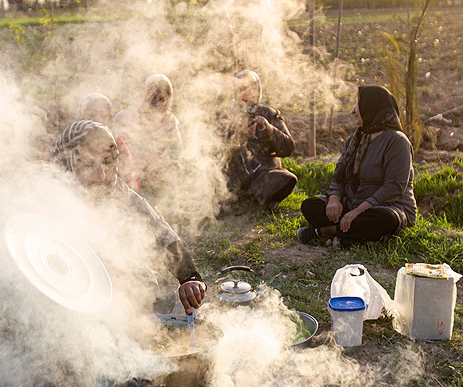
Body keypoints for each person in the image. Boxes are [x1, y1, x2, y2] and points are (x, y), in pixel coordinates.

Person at [52, 120, 206, 313]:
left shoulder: (118, 192)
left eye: (108, 162)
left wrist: (189, 277)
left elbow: (159, 232)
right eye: (88, 164)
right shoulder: (50, 194)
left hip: (116, 284)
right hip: (63, 288)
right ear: (68, 162)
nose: (101, 173)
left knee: (153, 296)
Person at [296, 84, 416, 246]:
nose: (353, 111)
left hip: (386, 207)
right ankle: (353, 235)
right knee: (310, 206)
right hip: (352, 204)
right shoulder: (356, 140)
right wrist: (334, 200)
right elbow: (338, 176)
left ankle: (325, 231)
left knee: (384, 219)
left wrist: (358, 211)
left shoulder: (397, 141)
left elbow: (394, 187)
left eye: (358, 105)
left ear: (372, 107)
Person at [220, 70, 297, 214]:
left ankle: (247, 203)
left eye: (252, 88)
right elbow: (215, 156)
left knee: (285, 178)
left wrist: (269, 129)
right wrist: (237, 140)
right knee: (217, 183)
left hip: (262, 174)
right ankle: (251, 202)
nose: (247, 93)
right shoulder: (225, 116)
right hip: (236, 177)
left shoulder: (269, 113)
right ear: (235, 92)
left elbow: (289, 148)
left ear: (258, 90)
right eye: (242, 88)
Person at [111, 74, 183, 199]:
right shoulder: (125, 118)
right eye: (152, 98)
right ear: (143, 95)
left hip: (158, 179)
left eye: (161, 99)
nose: (156, 103)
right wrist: (135, 163)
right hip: (128, 178)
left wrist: (159, 162)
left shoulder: (169, 122)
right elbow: (113, 149)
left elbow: (177, 151)